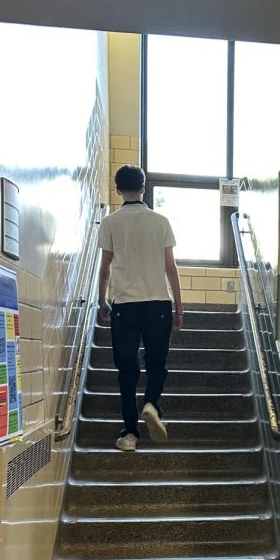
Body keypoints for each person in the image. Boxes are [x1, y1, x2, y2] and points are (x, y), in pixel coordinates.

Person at [97, 165, 183, 450]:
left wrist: (101, 300)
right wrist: (179, 309)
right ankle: (152, 404)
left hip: (125, 307)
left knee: (127, 371)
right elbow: (171, 269)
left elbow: (105, 268)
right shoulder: (160, 222)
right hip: (158, 303)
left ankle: (129, 434)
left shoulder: (110, 223)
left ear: (118, 190)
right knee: (157, 363)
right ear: (144, 187)